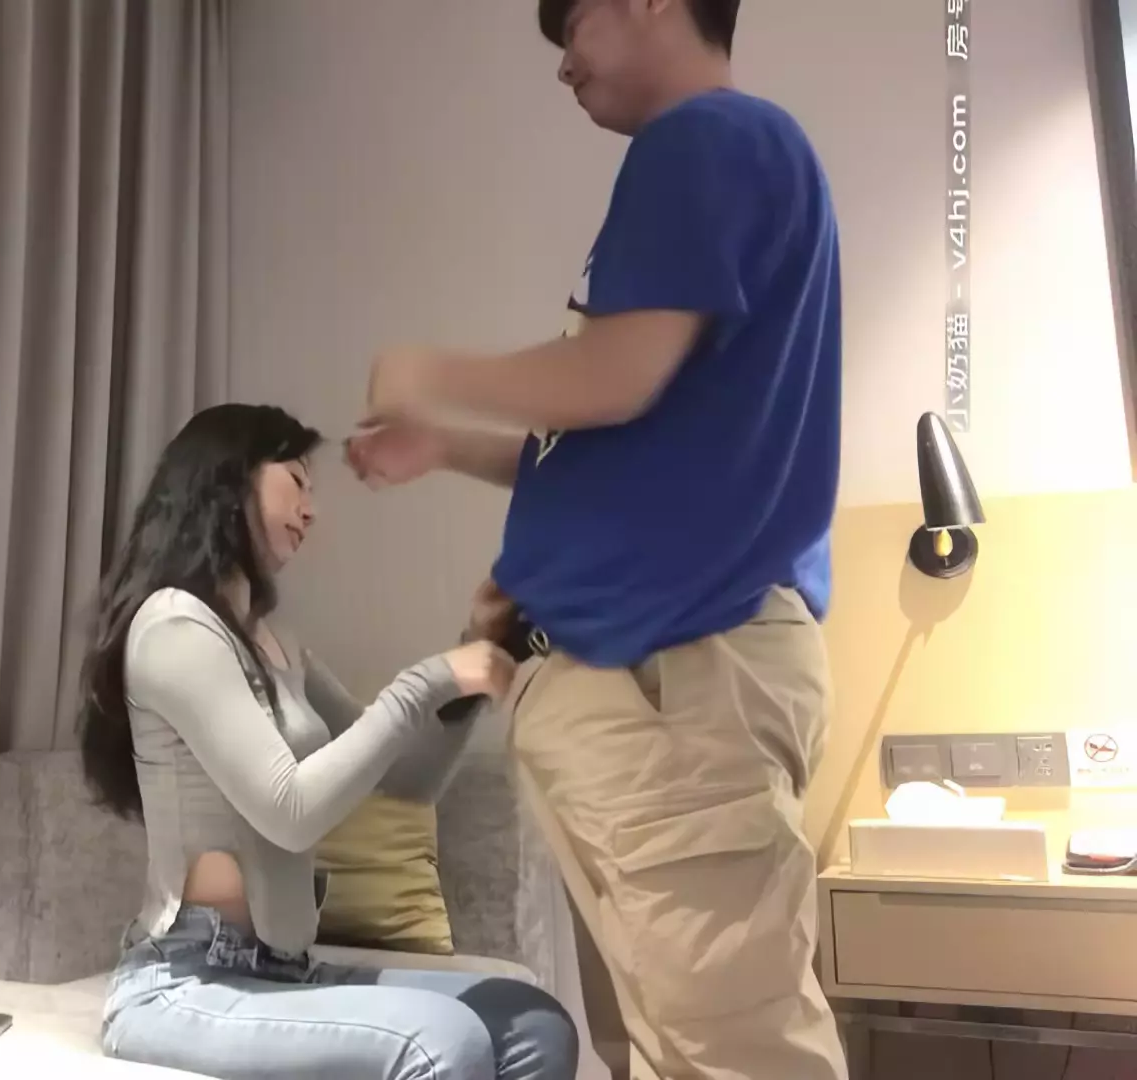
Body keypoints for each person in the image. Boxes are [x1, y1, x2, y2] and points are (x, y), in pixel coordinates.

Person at [344, 1, 848, 1078]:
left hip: (670, 683)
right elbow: (613, 431)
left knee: (730, 1053)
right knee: (690, 1045)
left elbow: (611, 378)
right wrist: (448, 445)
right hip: (659, 686)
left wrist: (429, 372)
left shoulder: (704, 136)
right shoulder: (729, 156)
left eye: (571, 23)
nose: (564, 64)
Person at [76, 402, 579, 1080]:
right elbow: (289, 811)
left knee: (533, 1025)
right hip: (187, 980)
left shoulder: (276, 645)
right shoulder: (174, 625)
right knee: (442, 1041)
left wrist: (479, 654)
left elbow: (408, 782)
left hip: (285, 970)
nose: (311, 510)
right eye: (296, 480)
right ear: (230, 479)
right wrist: (430, 679)